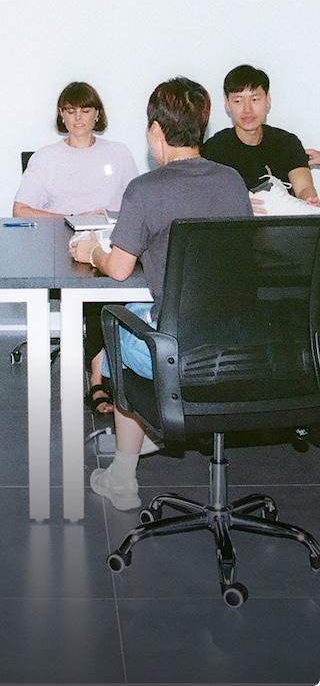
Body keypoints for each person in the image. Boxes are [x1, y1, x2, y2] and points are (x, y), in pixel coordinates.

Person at [70, 77, 252, 511]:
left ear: (156, 131)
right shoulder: (231, 181)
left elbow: (118, 269)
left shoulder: (146, 189)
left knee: (116, 324)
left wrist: (93, 250)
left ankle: (124, 474)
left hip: (172, 346)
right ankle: (139, 449)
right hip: (232, 338)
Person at [14, 81, 138, 413]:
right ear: (61, 116)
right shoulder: (46, 157)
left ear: (98, 114)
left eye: (85, 109)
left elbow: (138, 205)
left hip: (112, 243)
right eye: (70, 111)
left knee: (107, 282)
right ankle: (98, 380)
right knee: (95, 288)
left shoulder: (119, 153)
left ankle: (105, 374)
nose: (78, 117)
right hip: (61, 245)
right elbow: (21, 210)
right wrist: (72, 216)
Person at [201, 64, 320, 204]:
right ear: (227, 104)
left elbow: (304, 188)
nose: (247, 110)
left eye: (255, 99)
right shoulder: (215, 149)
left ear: (268, 100)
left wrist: (309, 200)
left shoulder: (286, 142)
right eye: (238, 101)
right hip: (237, 224)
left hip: (283, 222)